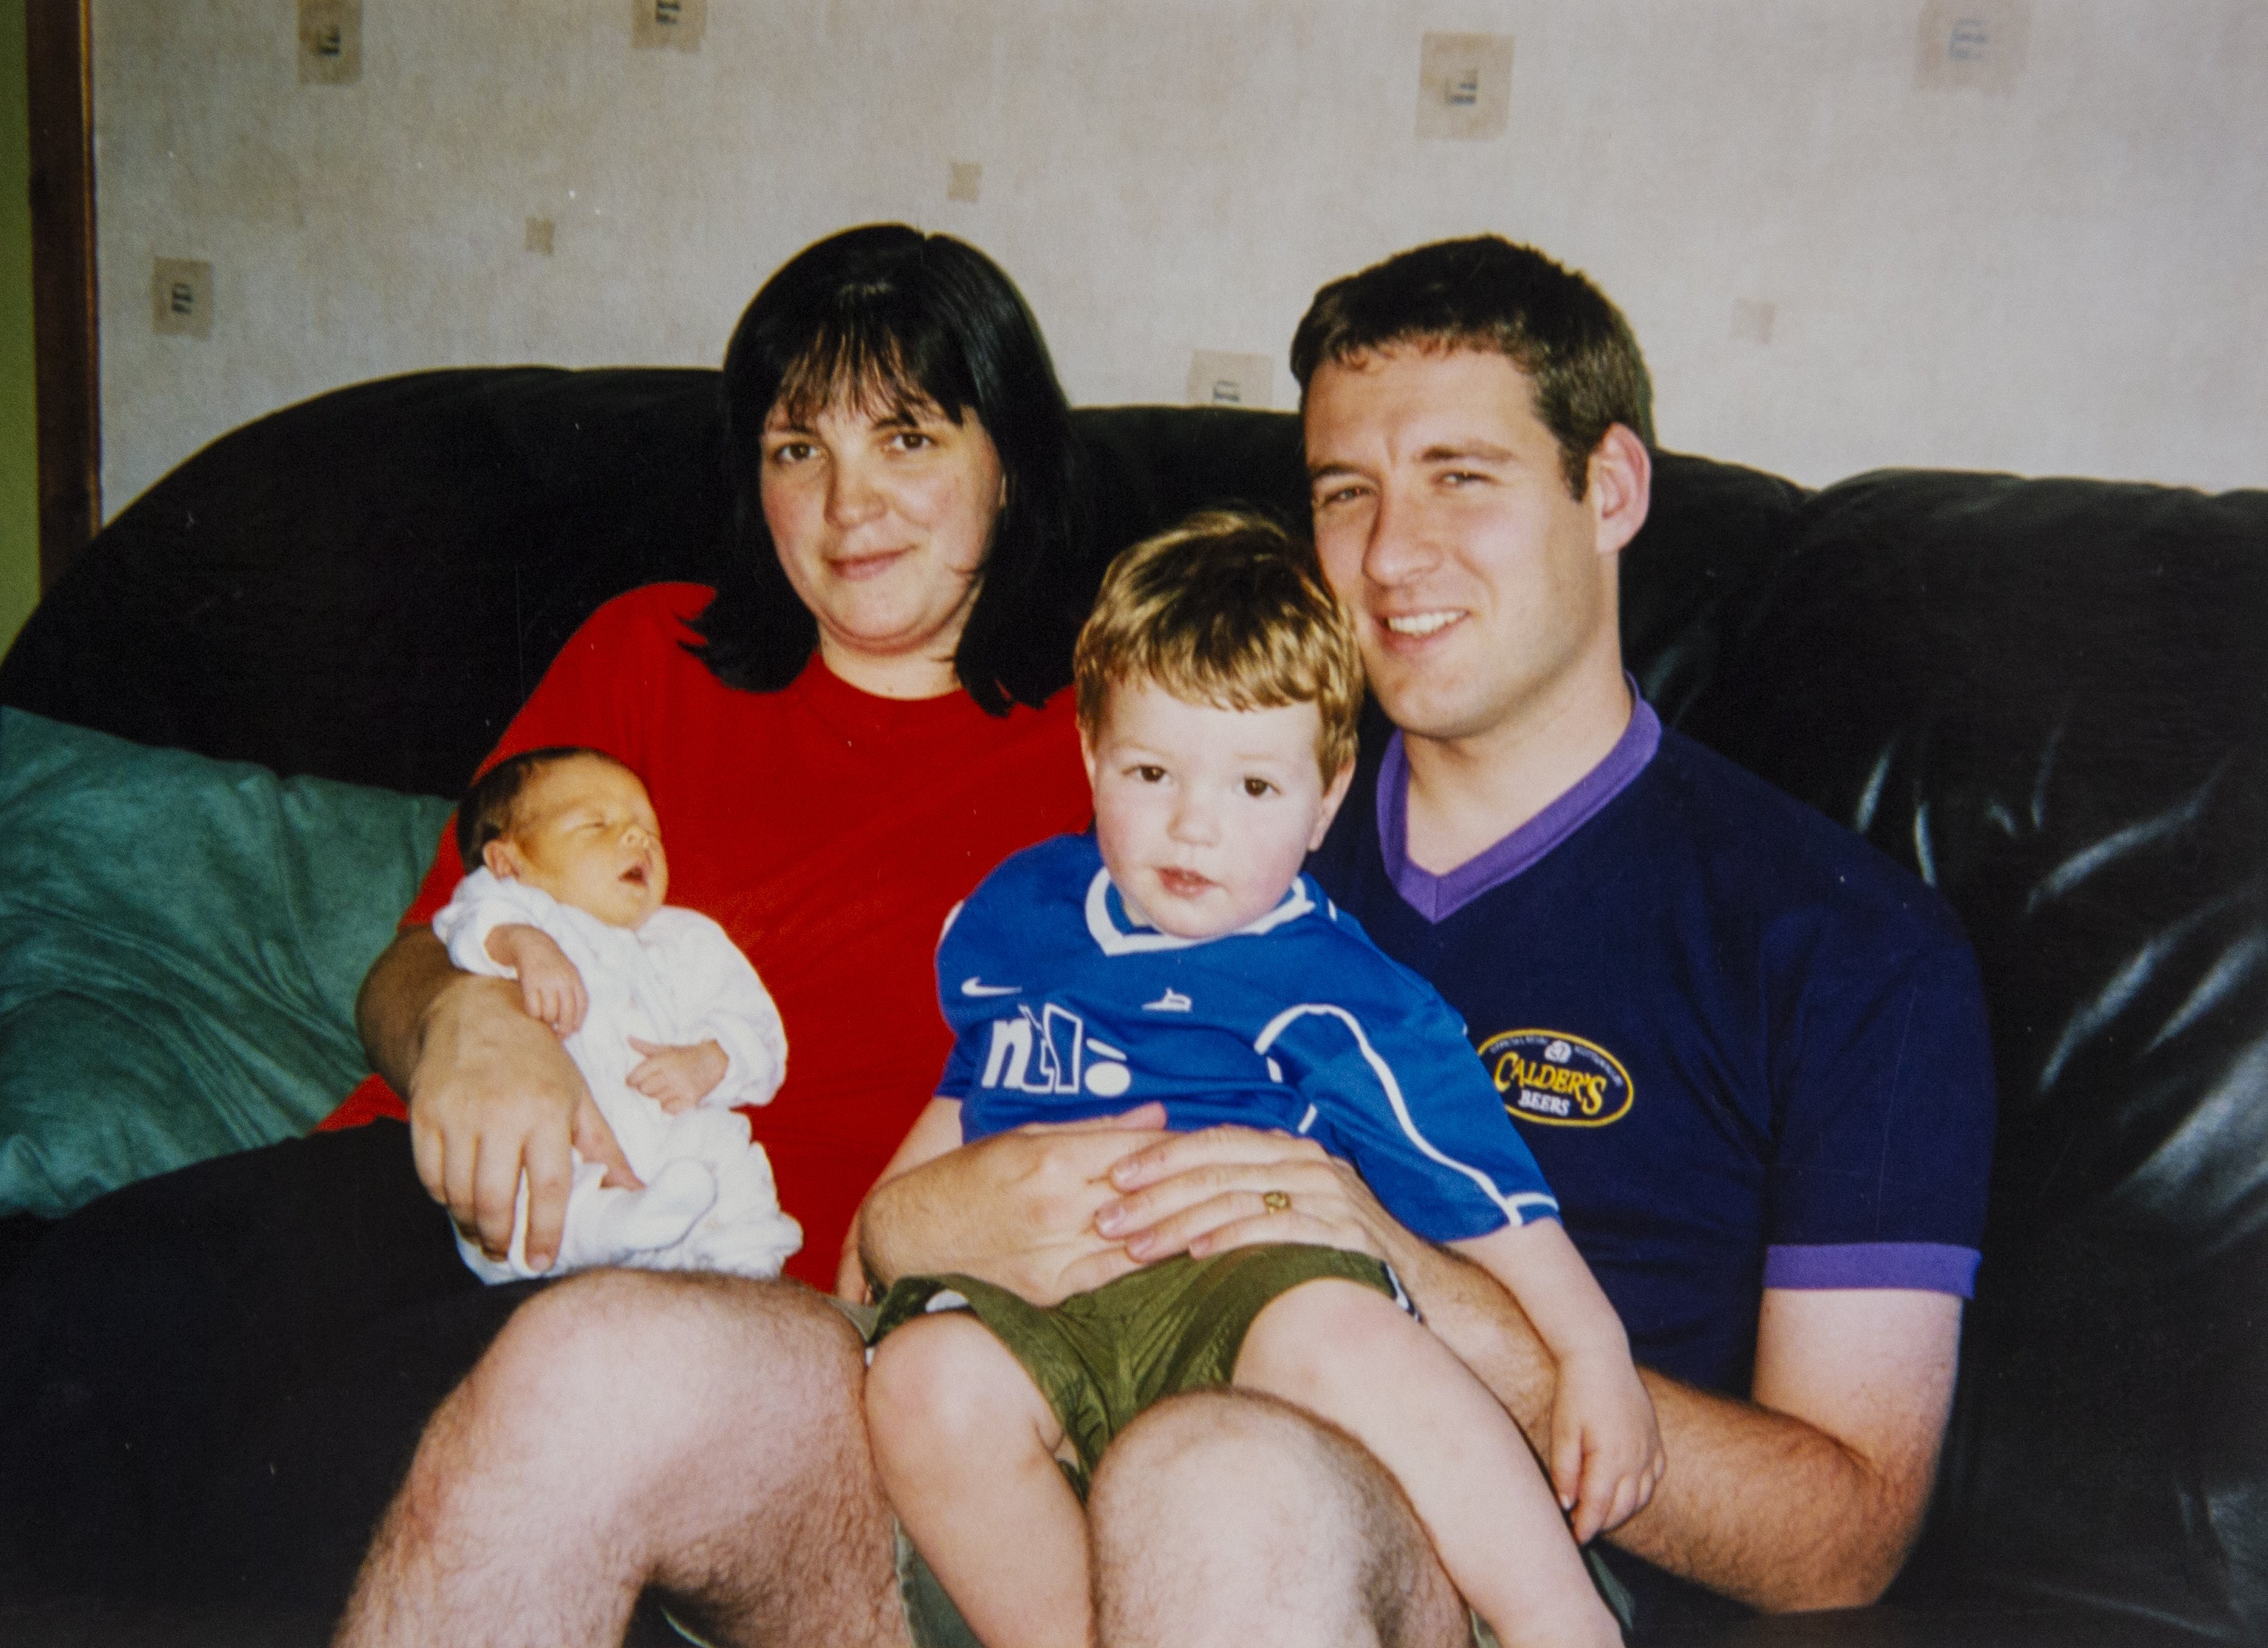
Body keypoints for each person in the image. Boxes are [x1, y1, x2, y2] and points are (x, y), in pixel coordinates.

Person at [0, 223, 1096, 1647]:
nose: (845, 504)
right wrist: (461, 1019)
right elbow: (409, 960)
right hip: (407, 1186)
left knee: (351, 1486)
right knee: (60, 1320)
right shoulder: (650, 652)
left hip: (699, 1277)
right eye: (793, 449)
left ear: (1008, 459)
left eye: (905, 438)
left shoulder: (1102, 748)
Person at [856, 236, 1997, 1644]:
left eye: (1462, 476)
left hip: (1434, 1551)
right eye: (1347, 493)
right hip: (1028, 1487)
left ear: (1612, 488)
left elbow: (1843, 1539)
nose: (1391, 558)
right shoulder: (1210, 828)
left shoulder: (1839, 942)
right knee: (624, 1359)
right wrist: (921, 1222)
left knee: (1211, 1479)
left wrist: (1414, 1285)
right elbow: (896, 1224)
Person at [861, 511, 1651, 1648]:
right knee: (919, 1385)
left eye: (1251, 788)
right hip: (1035, 1302)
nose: (1193, 825)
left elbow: (1488, 1195)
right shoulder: (1014, 915)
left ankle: (1555, 1618)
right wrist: (871, 1247)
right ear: (1089, 751)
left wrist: (1592, 1353)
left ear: (1327, 795)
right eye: (1148, 770)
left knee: (1344, 1334)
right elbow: (966, 1088)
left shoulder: (1339, 989)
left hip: (1248, 1290)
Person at [432, 745, 799, 1282]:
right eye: (596, 824)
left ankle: (747, 1255)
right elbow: (465, 924)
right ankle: (609, 1227)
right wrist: (524, 946)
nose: (637, 839)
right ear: (508, 863)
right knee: (524, 1162)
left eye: (648, 830)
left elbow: (757, 1031)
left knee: (722, 1142)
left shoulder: (684, 938)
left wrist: (707, 1060)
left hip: (661, 1131)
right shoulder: (518, 912)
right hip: (557, 1134)